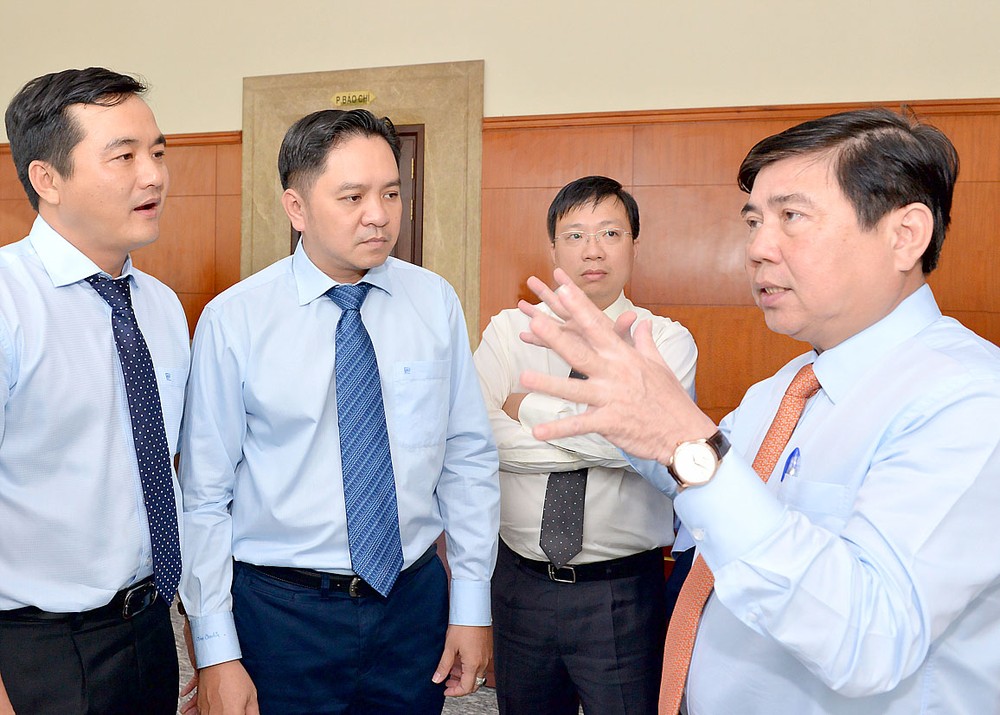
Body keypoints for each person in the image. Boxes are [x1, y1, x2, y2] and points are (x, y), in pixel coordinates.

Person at [516, 108, 1000, 714]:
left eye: (791, 217)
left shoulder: (969, 399)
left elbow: (869, 635)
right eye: (754, 220)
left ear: (905, 235)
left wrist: (682, 437)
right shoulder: (782, 388)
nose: (757, 249)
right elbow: (699, 481)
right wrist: (634, 416)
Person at [179, 108, 500, 714]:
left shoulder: (434, 302)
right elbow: (204, 496)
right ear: (296, 208)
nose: (378, 214)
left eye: (390, 192)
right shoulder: (235, 320)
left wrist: (472, 607)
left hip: (411, 605)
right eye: (351, 196)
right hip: (281, 616)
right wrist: (217, 652)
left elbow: (468, 457)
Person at [0, 68, 188, 714]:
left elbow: (162, 472)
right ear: (47, 179)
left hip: (148, 628)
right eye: (125, 156)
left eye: (158, 152)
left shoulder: (161, 308)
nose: (154, 175)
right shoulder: (7, 302)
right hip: (36, 650)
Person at [473, 176, 697, 714]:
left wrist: (523, 408)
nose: (592, 249)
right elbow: (478, 442)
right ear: (552, 247)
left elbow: (651, 448)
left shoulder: (663, 340)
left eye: (609, 232)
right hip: (520, 584)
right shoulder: (508, 331)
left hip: (621, 594)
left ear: (633, 244)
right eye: (574, 235)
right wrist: (606, 428)